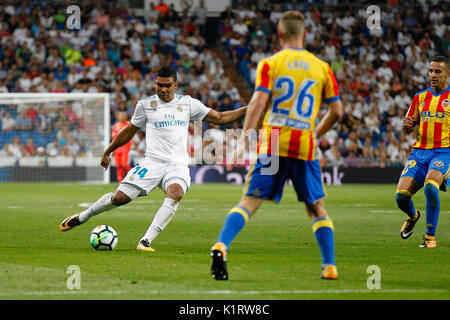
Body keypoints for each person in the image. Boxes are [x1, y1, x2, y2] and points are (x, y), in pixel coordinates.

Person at [210, 11, 344, 280]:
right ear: (304, 34)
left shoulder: (270, 64)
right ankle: (329, 266)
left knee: (250, 200)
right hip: (304, 145)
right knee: (315, 206)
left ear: (280, 34)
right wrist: (315, 133)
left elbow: (258, 104)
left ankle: (221, 245)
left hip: (272, 142)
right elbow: (338, 111)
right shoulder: (322, 67)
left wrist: (243, 142)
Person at [60, 66, 247, 252]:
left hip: (177, 165)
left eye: (167, 86)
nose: (163, 89)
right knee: (119, 198)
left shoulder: (189, 104)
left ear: (175, 85)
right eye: (159, 85)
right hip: (152, 163)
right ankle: (82, 217)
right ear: (154, 83)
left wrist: (250, 108)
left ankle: (145, 241)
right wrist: (107, 151)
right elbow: (129, 131)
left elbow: (221, 118)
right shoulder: (145, 105)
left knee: (175, 194)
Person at [396, 55, 450, 248]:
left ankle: (429, 237)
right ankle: (413, 215)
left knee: (430, 185)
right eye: (430, 71)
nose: (433, 75)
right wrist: (406, 126)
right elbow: (407, 127)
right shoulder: (419, 98)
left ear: (447, 74)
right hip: (419, 153)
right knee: (401, 197)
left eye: (438, 71)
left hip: (443, 153)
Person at [112, 111, 132, 182]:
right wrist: (113, 149)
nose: (122, 117)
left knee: (125, 164)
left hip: (125, 147)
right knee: (118, 165)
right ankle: (120, 181)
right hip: (117, 148)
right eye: (120, 115)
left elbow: (131, 137)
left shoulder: (129, 125)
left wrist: (129, 146)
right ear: (118, 117)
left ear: (126, 116)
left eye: (123, 115)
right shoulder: (115, 126)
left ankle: (132, 178)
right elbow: (114, 138)